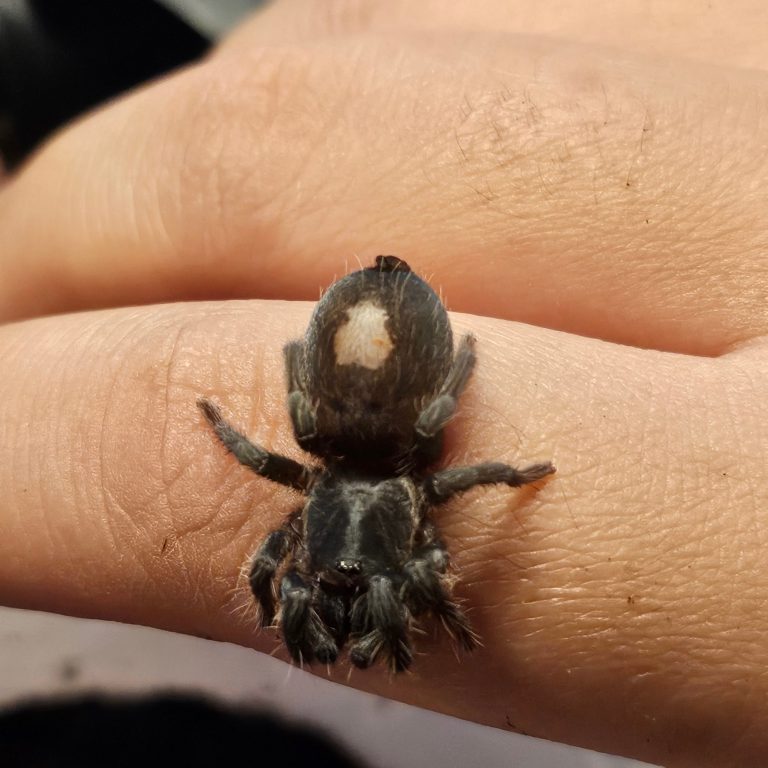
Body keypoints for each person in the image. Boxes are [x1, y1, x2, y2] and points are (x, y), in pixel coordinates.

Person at [0, 2, 766, 766]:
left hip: (369, 397)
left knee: (402, 428)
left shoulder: (337, 461)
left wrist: (505, 467)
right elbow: (306, 546)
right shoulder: (367, 478)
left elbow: (455, 486)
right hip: (374, 402)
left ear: (306, 527)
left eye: (306, 571)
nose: (332, 578)